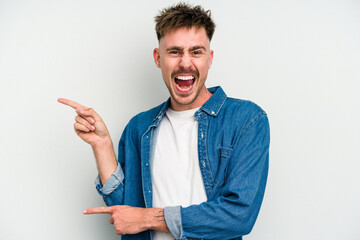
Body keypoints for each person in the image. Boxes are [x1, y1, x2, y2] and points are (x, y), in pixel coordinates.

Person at [58, 3, 270, 240]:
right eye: (175, 52)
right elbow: (127, 211)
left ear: (209, 58)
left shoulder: (246, 120)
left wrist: (147, 218)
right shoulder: (139, 127)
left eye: (196, 52)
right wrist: (102, 145)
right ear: (158, 58)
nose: (185, 63)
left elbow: (239, 215)